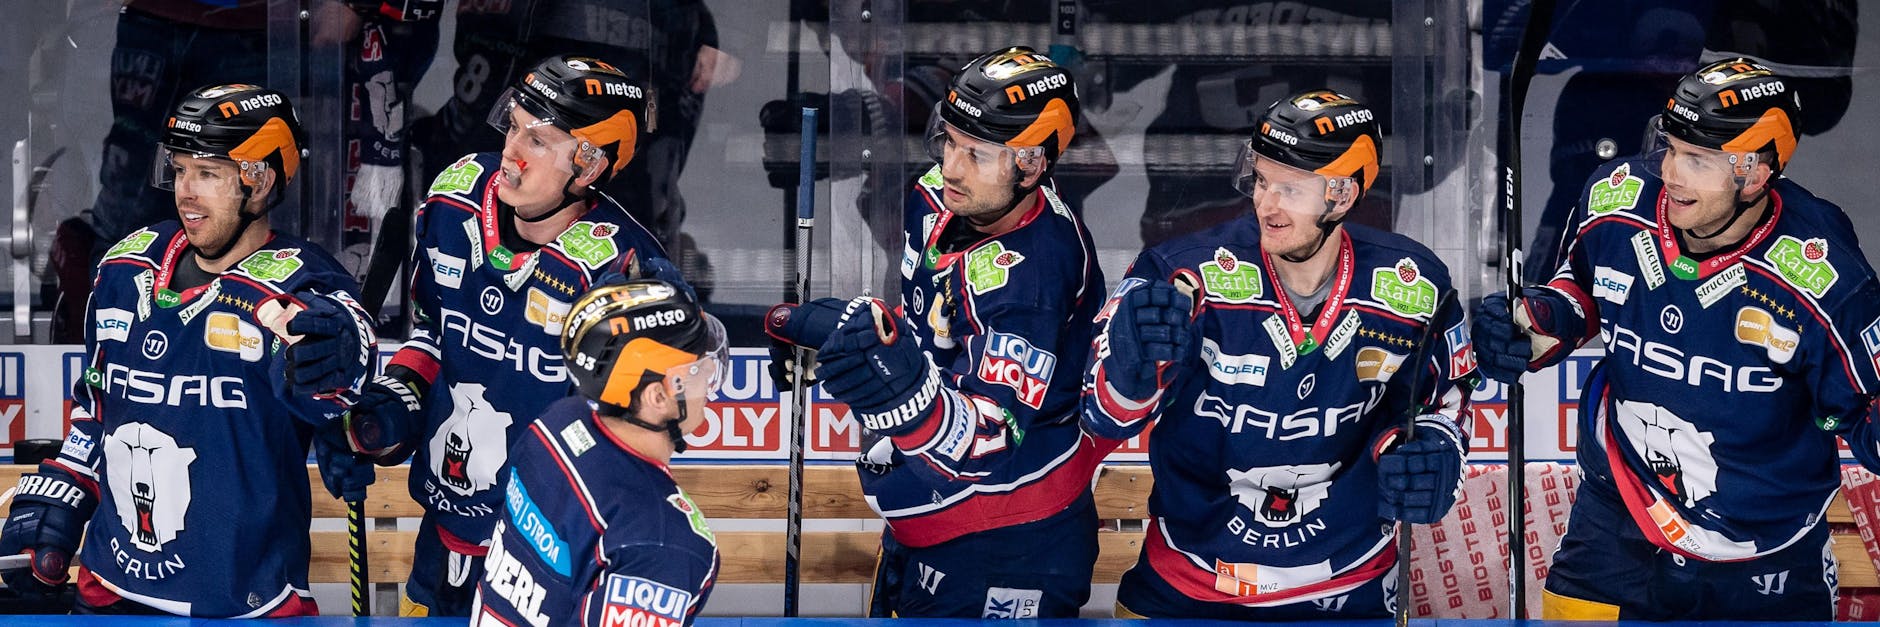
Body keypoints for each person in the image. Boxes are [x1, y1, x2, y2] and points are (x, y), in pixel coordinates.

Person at [1471, 58, 1880, 620]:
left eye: (1698, 159)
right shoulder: (1616, 200)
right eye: (1670, 147)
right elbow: (1582, 288)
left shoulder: (1822, 272)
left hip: (1763, 551)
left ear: (1756, 172)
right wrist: (1536, 321)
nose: (1670, 173)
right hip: (1617, 525)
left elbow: (1862, 404)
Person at [1081, 90, 1475, 619]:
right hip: (1188, 587)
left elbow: (1442, 403)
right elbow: (1104, 417)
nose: (1266, 204)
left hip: (1349, 590)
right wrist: (1128, 365)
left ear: (1341, 195)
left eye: (1289, 188)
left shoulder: (1413, 286)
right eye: (1262, 181)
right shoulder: (1182, 275)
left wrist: (1435, 452)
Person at [0, 84, 377, 616]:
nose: (186, 192)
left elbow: (350, 367)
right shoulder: (124, 269)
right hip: (108, 595)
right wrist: (58, 501)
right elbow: (97, 411)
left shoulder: (303, 287)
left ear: (260, 181)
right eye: (179, 170)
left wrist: (339, 369)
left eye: (208, 173)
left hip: (244, 604)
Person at [326, 54, 682, 617]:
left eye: (538, 142)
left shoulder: (624, 271)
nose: (511, 153)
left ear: (588, 165)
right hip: (442, 546)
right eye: (513, 125)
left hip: (551, 565)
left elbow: (640, 438)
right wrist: (385, 417)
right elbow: (430, 337)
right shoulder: (453, 201)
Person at [765, 47, 1109, 618]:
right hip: (921, 520)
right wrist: (827, 323)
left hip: (1009, 544)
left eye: (976, 153)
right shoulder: (937, 198)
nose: (950, 165)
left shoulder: (1037, 272)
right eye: (948, 141)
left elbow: (991, 437)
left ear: (1030, 164)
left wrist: (909, 399)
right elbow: (931, 325)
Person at [470, 279, 724, 627]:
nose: (709, 372)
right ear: (657, 397)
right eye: (696, 368)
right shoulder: (665, 541)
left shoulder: (557, 421)